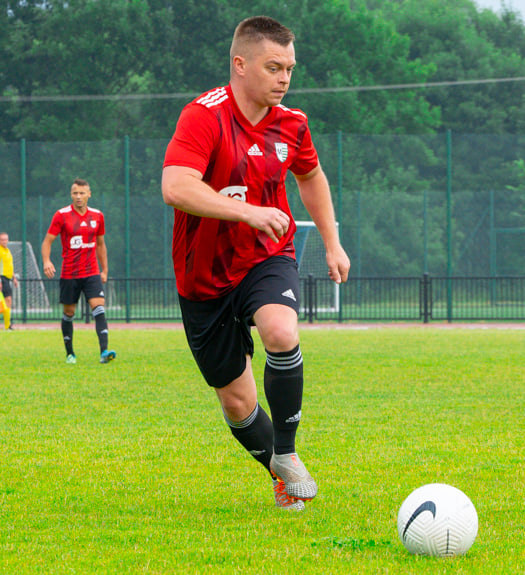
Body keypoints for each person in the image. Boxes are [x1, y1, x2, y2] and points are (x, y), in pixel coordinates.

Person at [161, 16, 350, 512]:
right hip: (203, 279)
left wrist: (332, 243)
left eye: (289, 68)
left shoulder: (293, 123)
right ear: (240, 65)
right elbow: (175, 187)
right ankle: (278, 469)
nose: (284, 78)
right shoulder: (203, 116)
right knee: (237, 403)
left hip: (267, 255)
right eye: (274, 67)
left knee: (282, 333)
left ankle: (287, 455)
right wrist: (246, 211)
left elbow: (311, 177)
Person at [41, 178, 116, 364]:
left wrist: (104, 270)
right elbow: (47, 241)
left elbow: (100, 245)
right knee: (69, 312)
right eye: (75, 193)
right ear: (71, 195)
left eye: (82, 193)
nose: (79, 197)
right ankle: (70, 353)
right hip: (69, 274)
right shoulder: (61, 215)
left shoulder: (98, 216)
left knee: (99, 307)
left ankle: (104, 352)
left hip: (91, 272)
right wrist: (46, 261)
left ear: (89, 194)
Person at [0, 232, 18, 330]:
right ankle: (8, 325)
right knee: (7, 300)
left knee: (8, 301)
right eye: (2, 239)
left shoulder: (8, 251)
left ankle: (7, 325)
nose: (4, 241)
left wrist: (14, 277)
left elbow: (10, 266)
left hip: (7, 278)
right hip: (1, 278)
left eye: (6, 239)